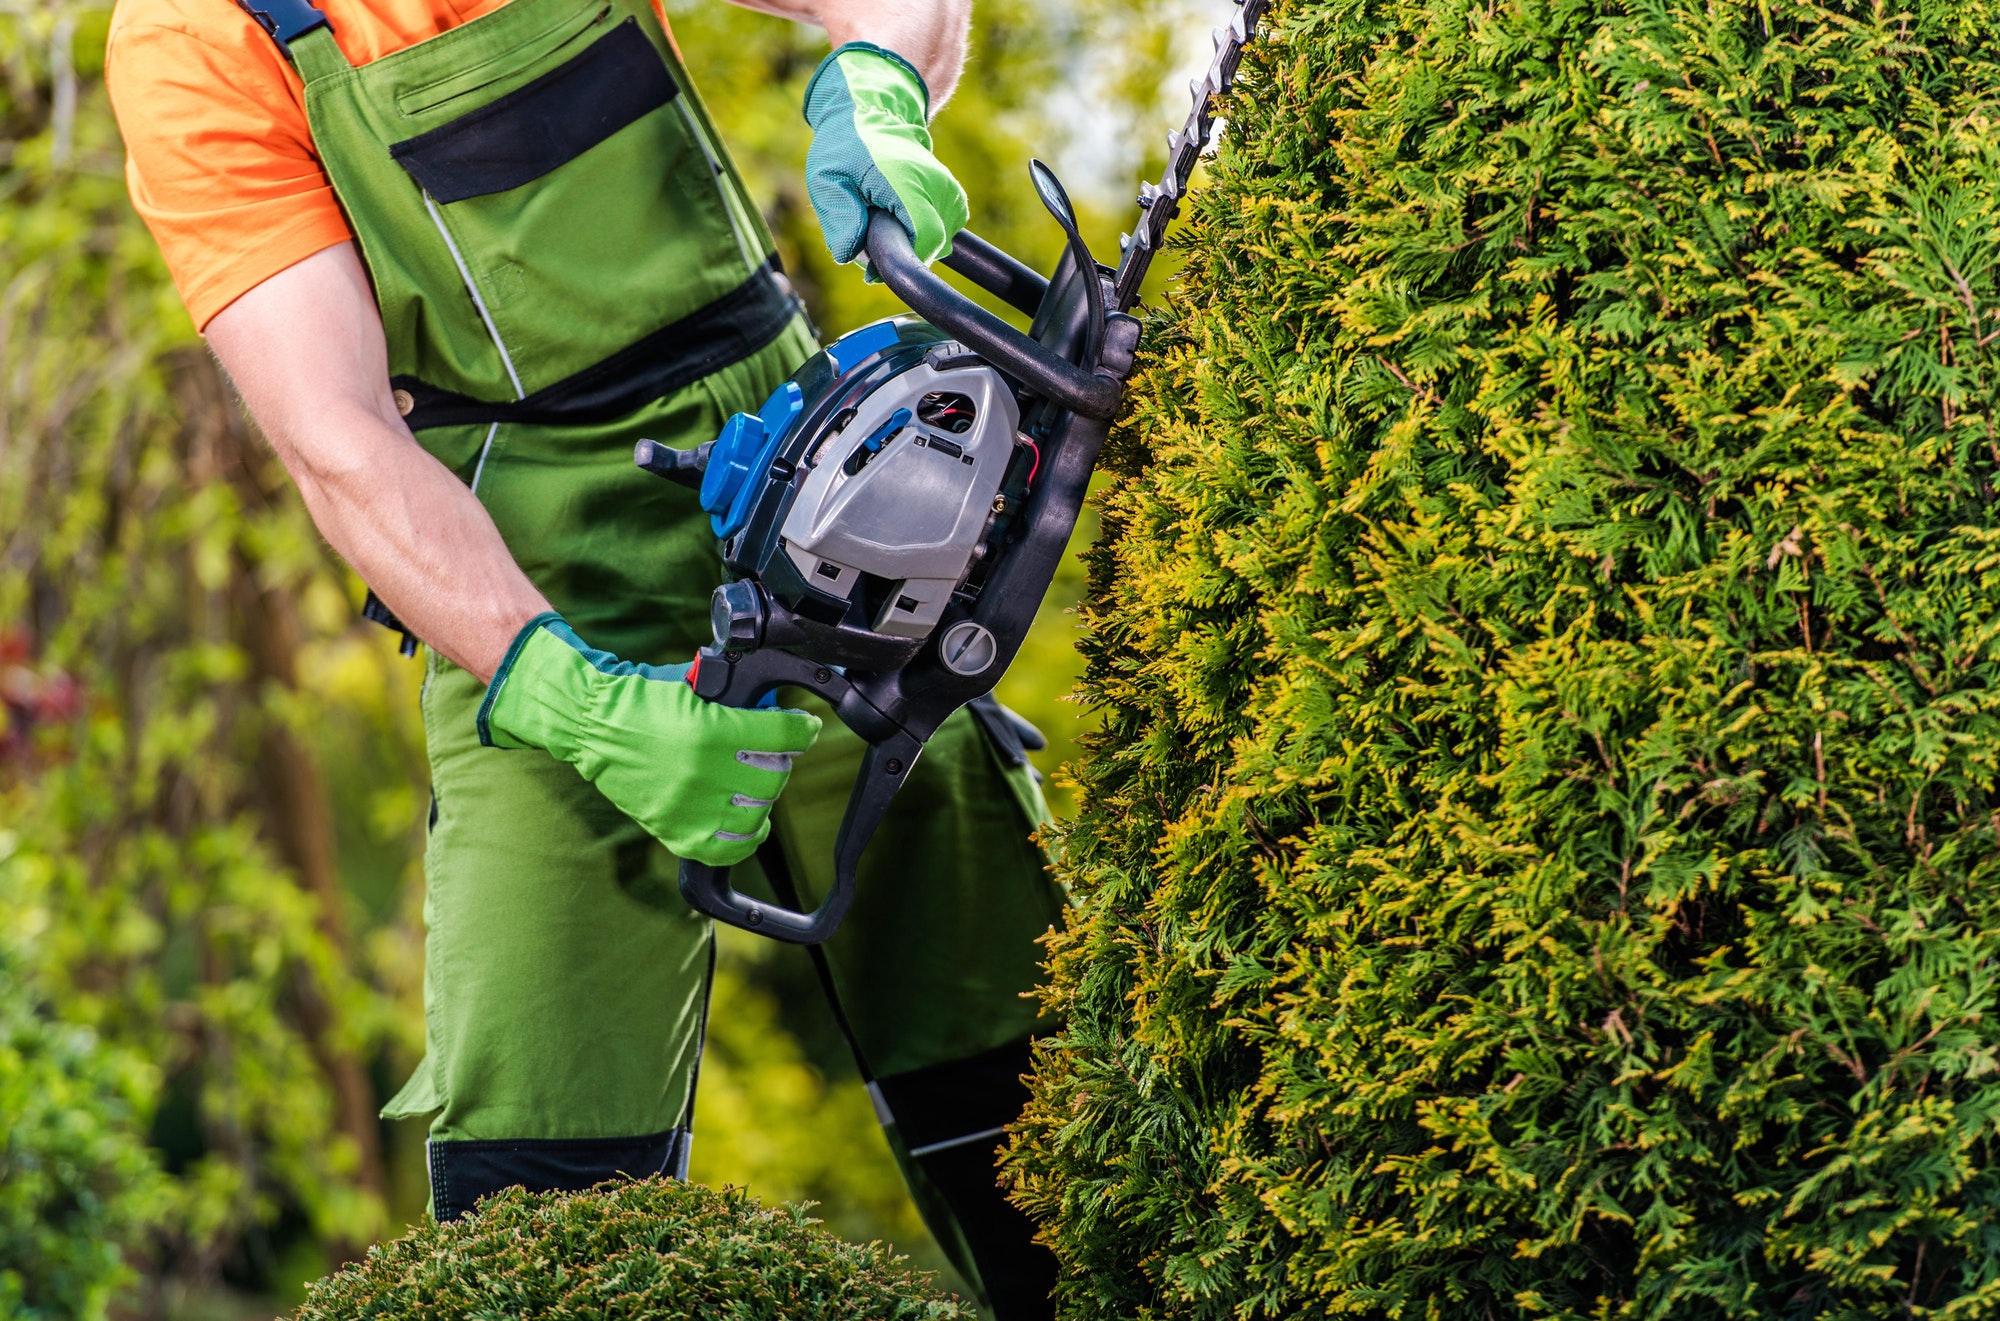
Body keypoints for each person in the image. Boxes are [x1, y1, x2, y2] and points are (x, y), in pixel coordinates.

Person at [104, 0, 1064, 1313]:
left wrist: (877, 79)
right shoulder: (195, 39)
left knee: (1039, 1080)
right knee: (535, 1208)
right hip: (522, 584)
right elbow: (337, 439)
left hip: (822, 507)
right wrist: (564, 692)